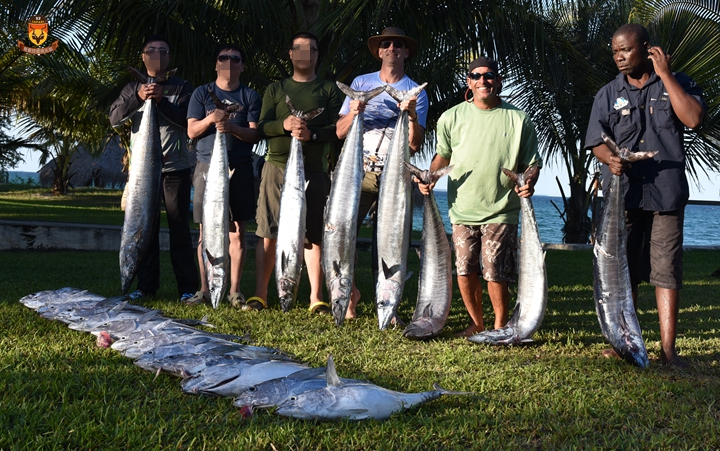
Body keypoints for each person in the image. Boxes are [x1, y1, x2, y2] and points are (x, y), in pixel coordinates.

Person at [585, 24, 706, 366]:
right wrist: (610, 160)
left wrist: (665, 75)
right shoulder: (607, 94)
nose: (619, 57)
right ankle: (626, 340)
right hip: (621, 194)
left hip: (666, 194)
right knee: (622, 267)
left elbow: (693, 118)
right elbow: (596, 140)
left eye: (625, 50)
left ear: (647, 49)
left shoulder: (678, 82)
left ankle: (669, 350)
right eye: (614, 52)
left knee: (666, 269)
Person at [416, 57, 541, 337]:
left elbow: (532, 163)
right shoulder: (451, 117)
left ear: (498, 81)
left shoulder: (518, 119)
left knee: (495, 269)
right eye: (476, 76)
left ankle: (500, 325)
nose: (483, 81)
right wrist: (430, 177)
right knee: (464, 268)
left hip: (501, 208)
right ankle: (476, 323)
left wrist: (528, 182)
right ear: (469, 82)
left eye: (489, 76)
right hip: (461, 208)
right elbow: (443, 156)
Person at [335, 27, 429, 319]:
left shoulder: (417, 91)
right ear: (379, 51)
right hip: (357, 172)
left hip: (394, 176)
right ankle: (348, 295)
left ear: (406, 52)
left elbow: (414, 144)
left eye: (398, 45)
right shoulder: (361, 83)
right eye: (386, 44)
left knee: (390, 239)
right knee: (342, 233)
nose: (392, 48)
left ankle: (388, 302)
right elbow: (340, 132)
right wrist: (355, 111)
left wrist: (410, 113)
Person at [250, 32, 343, 312]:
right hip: (276, 166)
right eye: (299, 49)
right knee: (269, 231)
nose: (305, 54)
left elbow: (337, 131)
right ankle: (260, 294)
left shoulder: (329, 90)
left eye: (311, 49)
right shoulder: (276, 89)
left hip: (313, 170)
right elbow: (262, 126)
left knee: (314, 234)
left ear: (317, 55)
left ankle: (316, 297)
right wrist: (285, 125)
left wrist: (310, 134)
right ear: (290, 54)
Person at [109, 35, 198, 302]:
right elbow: (114, 118)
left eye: (163, 50)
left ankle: (187, 288)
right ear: (143, 56)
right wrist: (138, 97)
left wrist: (162, 102)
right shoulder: (132, 88)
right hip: (142, 175)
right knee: (143, 227)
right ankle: (146, 287)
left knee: (179, 228)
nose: (157, 54)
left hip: (175, 170)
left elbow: (188, 122)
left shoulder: (182, 87)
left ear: (169, 58)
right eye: (152, 50)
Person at [186, 44, 261, 307]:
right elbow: (192, 131)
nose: (229, 62)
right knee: (206, 231)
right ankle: (205, 289)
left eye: (235, 58)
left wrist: (230, 127)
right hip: (207, 165)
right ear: (216, 64)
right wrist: (211, 120)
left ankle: (234, 291)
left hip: (239, 165)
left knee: (237, 231)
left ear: (242, 65)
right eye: (223, 58)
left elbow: (254, 134)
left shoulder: (250, 95)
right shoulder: (201, 93)